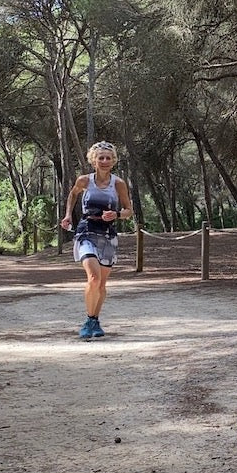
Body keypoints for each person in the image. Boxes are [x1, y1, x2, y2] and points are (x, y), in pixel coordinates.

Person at [60, 141, 133, 339]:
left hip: (108, 235)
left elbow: (129, 211)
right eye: (100, 157)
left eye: (108, 158)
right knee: (94, 278)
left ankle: (94, 320)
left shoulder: (118, 184)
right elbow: (72, 195)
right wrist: (68, 216)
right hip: (86, 231)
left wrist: (117, 215)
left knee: (101, 285)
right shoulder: (84, 180)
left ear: (113, 161)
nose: (104, 161)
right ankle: (88, 320)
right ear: (93, 160)